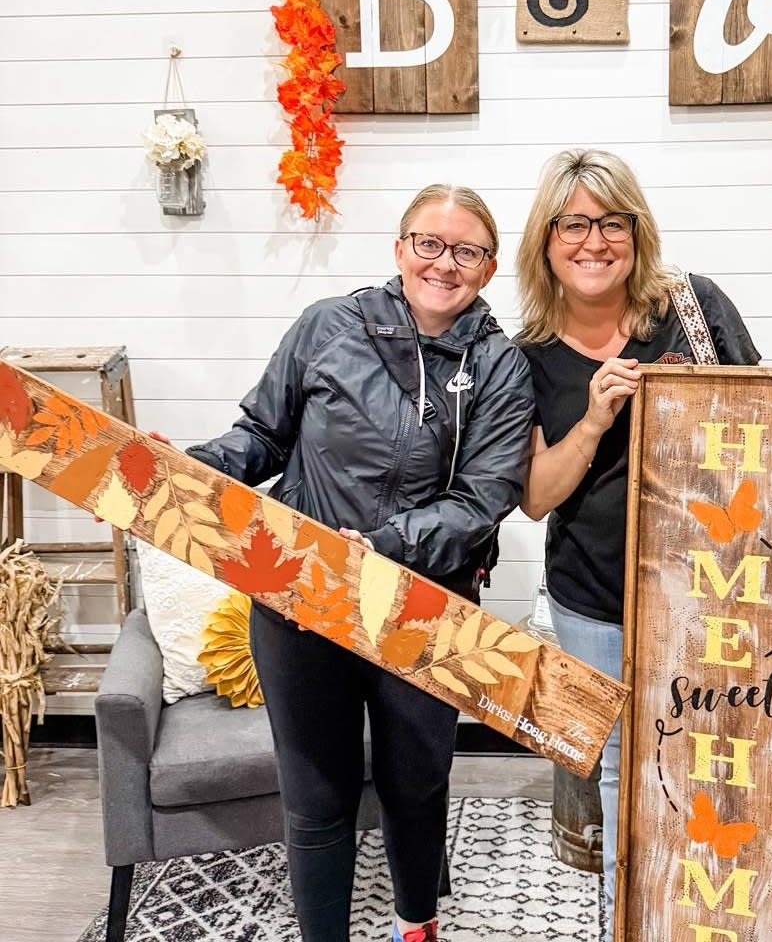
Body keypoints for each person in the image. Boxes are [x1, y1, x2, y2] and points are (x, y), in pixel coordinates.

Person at [514, 149, 772, 940]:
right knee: (624, 775)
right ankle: (633, 920)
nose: (594, 241)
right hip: (596, 599)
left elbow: (764, 424)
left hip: (719, 587)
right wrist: (596, 417)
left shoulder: (691, 305)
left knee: (722, 758)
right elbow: (536, 497)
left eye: (613, 222)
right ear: (546, 240)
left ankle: (723, 917)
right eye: (574, 223)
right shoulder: (527, 354)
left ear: (637, 232)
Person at [162, 185, 535, 942]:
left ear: (489, 268)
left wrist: (388, 546)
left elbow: (482, 497)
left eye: (466, 251)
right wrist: (192, 469)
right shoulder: (326, 327)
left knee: (417, 783)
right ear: (400, 249)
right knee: (317, 795)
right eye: (428, 243)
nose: (444, 263)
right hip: (303, 595)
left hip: (422, 605)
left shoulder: (500, 366)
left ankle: (414, 925)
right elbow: (261, 436)